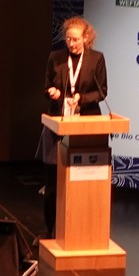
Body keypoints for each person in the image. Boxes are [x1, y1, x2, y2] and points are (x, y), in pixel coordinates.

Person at [38, 16, 109, 233]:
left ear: (86, 38)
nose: (71, 43)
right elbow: (47, 86)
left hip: (86, 125)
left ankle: (82, 230)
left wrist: (81, 98)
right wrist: (53, 92)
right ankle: (49, 230)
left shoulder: (96, 59)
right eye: (68, 39)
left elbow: (102, 91)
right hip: (57, 124)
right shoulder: (56, 57)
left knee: (83, 183)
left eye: (76, 39)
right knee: (52, 184)